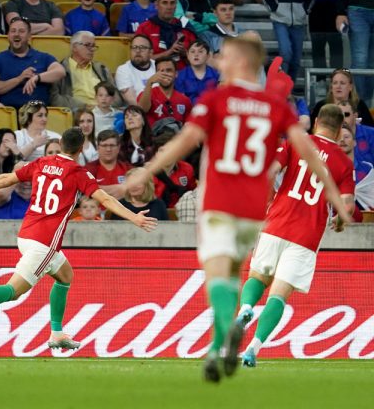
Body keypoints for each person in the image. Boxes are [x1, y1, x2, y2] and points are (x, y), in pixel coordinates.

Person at [124, 35, 351, 382]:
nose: (218, 62)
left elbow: (186, 141)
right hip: (257, 211)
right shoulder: (277, 107)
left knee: (223, 278)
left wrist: (146, 170)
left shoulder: (216, 99)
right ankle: (245, 344)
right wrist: (335, 200)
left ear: (241, 62)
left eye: (224, 57)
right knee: (250, 279)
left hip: (224, 201)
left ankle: (226, 334)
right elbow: (307, 155)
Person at [0, 127, 158, 351]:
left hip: (27, 234)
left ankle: (56, 333)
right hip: (44, 243)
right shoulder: (78, 173)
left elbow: (8, 177)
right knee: (13, 291)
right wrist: (134, 217)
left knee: (65, 275)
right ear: (81, 149)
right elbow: (105, 199)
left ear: (61, 144)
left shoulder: (43, 163)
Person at [237, 104, 356, 368]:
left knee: (258, 276)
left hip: (277, 222)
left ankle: (246, 307)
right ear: (338, 133)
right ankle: (252, 350)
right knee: (279, 294)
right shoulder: (345, 164)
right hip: (307, 235)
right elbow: (347, 205)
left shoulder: (295, 142)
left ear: (315, 124)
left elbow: (270, 172)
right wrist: (338, 221)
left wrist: (266, 199)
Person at [0, 17, 65, 109]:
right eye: (13, 31)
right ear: (8, 35)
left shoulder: (43, 57)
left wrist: (37, 77)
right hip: (9, 112)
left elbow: (60, 72)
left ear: (29, 36)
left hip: (38, 112)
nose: (16, 34)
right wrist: (20, 79)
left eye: (21, 31)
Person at [50, 31, 115, 111]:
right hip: (77, 113)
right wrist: (84, 106)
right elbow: (54, 99)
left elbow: (116, 97)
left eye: (93, 46)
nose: (92, 49)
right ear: (74, 47)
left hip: (103, 111)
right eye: (87, 45)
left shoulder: (102, 69)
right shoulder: (60, 69)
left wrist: (103, 106)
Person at [264, 0, 313, 82]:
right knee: (285, 53)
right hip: (279, 20)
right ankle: (283, 88)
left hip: (299, 22)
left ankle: (290, 88)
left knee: (296, 60)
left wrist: (305, 10)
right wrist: (275, 9)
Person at [135, 0, 196, 70]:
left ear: (176, 5)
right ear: (156, 5)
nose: (169, 7)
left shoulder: (185, 26)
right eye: (164, 3)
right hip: (155, 74)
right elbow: (141, 61)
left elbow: (198, 61)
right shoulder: (144, 28)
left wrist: (184, 53)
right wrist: (170, 52)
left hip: (183, 75)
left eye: (172, 3)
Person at [336, 0, 374, 106]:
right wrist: (341, 12)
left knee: (371, 62)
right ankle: (360, 103)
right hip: (357, 11)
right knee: (360, 59)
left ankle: (367, 102)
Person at [137, 56, 192, 127]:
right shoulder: (146, 94)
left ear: (176, 74)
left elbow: (188, 126)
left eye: (169, 70)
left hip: (176, 137)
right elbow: (142, 110)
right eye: (161, 71)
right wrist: (149, 83)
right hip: (153, 137)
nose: (165, 74)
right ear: (156, 74)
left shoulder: (185, 100)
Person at [310, 69, 374, 128]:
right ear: (331, 87)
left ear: (350, 87)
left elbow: (370, 129)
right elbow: (311, 130)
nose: (338, 86)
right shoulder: (321, 105)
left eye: (342, 83)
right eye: (335, 83)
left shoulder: (359, 105)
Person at [85, 130, 132, 200]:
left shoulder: (127, 168)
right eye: (104, 145)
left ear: (118, 148)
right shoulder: (88, 169)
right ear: (97, 147)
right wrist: (122, 188)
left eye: (112, 145)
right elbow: (84, 189)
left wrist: (99, 189)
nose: (108, 149)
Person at [115, 34, 157, 107]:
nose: (137, 51)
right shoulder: (123, 70)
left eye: (142, 47)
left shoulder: (158, 66)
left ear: (151, 52)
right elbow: (133, 102)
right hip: (138, 114)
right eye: (134, 47)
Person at [174, 40, 220, 104]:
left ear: (208, 55)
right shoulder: (180, 76)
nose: (196, 54)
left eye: (200, 52)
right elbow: (180, 101)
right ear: (187, 55)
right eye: (192, 52)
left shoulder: (216, 75)